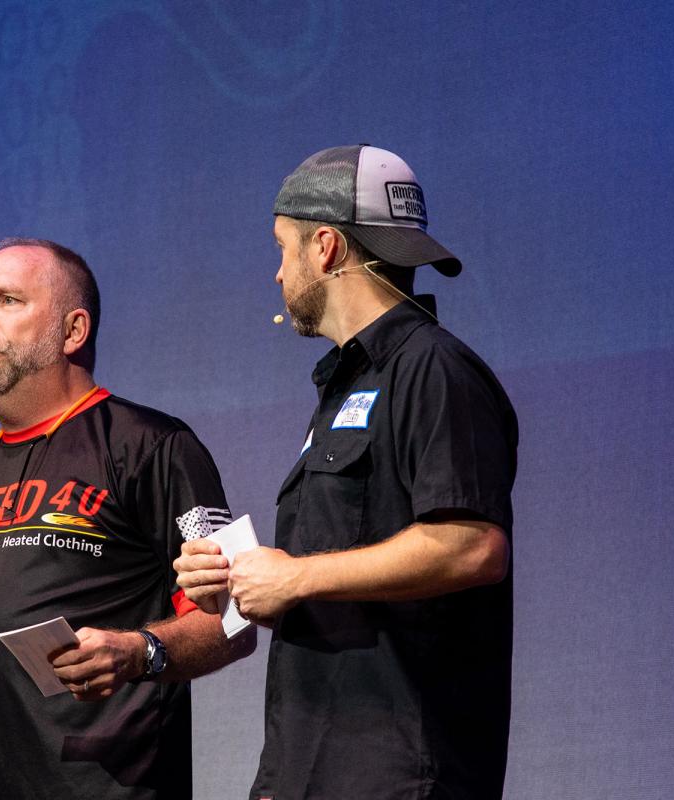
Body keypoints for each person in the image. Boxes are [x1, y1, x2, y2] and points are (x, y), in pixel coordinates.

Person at [174, 145, 518, 799]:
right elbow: (345, 582)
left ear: (326, 247)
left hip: (394, 777)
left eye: (284, 249)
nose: (278, 273)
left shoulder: (434, 370)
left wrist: (295, 577)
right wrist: (244, 583)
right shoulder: (348, 388)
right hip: (310, 769)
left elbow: (472, 546)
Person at [0, 238, 254, 799]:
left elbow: (236, 620)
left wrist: (139, 651)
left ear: (73, 331)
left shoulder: (157, 447)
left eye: (7, 300)